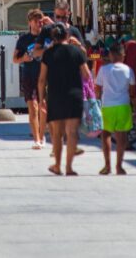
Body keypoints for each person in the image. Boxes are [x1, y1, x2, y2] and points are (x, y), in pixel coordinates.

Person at [39, 24, 91, 176]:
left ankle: (57, 165)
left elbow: (42, 79)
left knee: (57, 134)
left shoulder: (48, 54)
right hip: (74, 95)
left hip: (55, 96)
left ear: (53, 38)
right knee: (72, 131)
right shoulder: (76, 52)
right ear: (67, 37)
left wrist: (42, 98)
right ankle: (69, 167)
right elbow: (87, 75)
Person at [95, 43, 134, 175]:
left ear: (111, 55)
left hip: (108, 106)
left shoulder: (104, 69)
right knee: (121, 136)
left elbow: (98, 88)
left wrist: (97, 100)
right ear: (123, 55)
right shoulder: (128, 70)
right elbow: (132, 89)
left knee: (106, 134)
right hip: (123, 105)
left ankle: (107, 166)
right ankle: (119, 166)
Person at [13, 9, 49, 149]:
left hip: (45, 76)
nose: (38, 23)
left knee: (43, 107)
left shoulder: (47, 37)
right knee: (33, 108)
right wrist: (23, 58)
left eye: (40, 20)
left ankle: (42, 134)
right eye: (35, 20)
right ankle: (37, 139)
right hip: (29, 76)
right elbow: (14, 59)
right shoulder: (23, 40)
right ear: (29, 23)